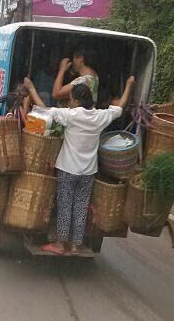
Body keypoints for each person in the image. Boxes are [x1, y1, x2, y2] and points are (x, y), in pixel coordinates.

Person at [24, 74, 136, 255]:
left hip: (67, 169)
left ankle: (60, 244)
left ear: (75, 100)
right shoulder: (100, 116)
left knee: (65, 205)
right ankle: (75, 245)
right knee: (81, 207)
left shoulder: (71, 115)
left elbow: (44, 110)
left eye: (71, 99)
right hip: (88, 172)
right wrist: (129, 85)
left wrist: (31, 89)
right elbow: (119, 107)